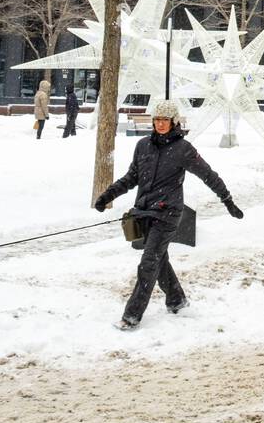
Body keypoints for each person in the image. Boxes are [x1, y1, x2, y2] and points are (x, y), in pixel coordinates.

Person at [95, 100, 244, 330]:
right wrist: (107, 195)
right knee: (159, 259)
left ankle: (132, 316)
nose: (160, 124)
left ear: (174, 122)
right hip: (144, 212)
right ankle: (177, 300)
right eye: (157, 119)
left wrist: (227, 200)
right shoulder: (143, 146)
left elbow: (208, 175)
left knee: (148, 263)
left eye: (165, 120)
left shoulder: (184, 149)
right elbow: (131, 177)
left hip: (168, 213)